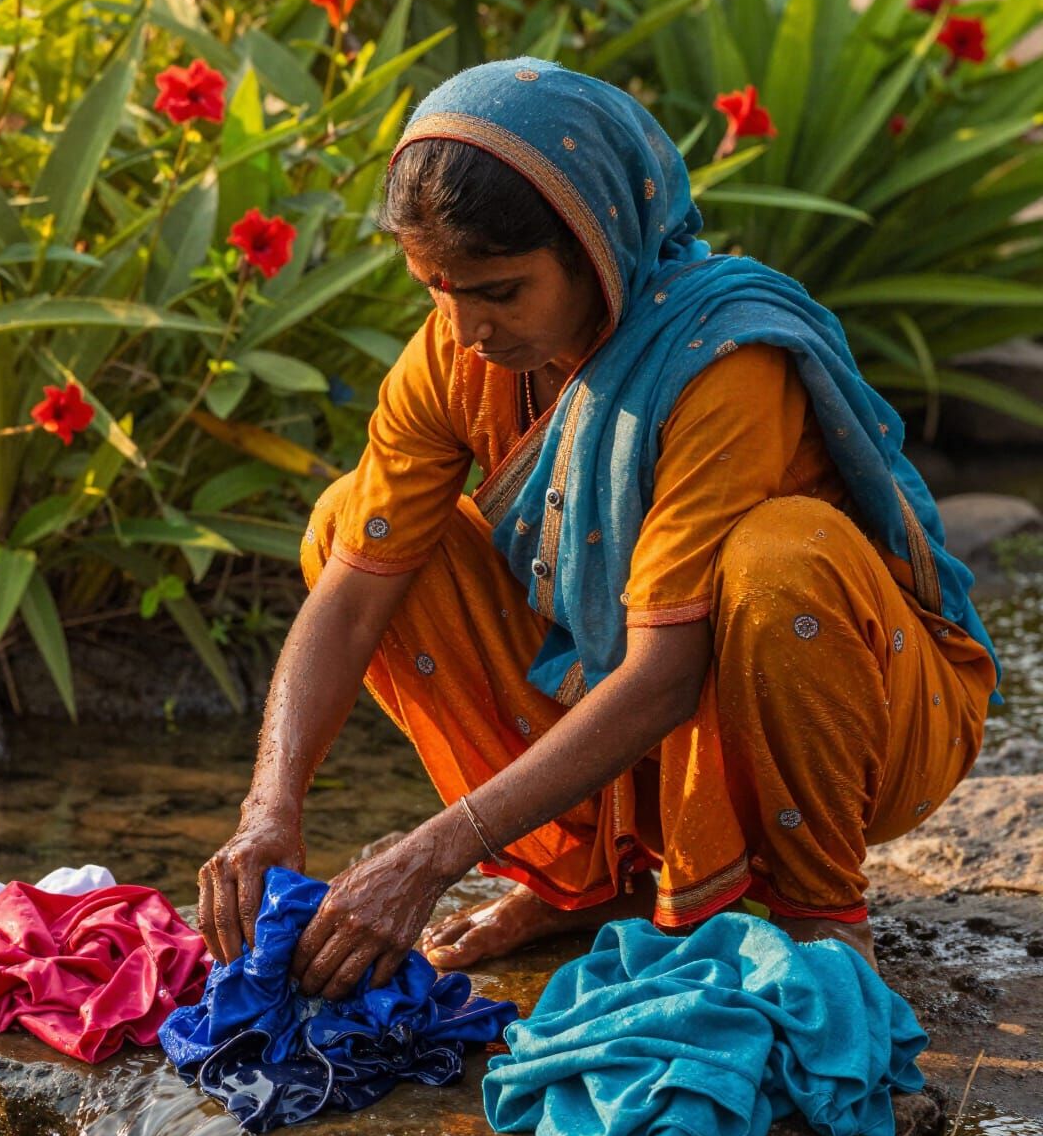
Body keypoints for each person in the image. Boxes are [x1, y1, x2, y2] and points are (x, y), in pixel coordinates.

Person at [197, 58, 999, 998]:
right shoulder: (455, 358)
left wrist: (431, 855)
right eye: (437, 289)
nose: (466, 330)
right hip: (642, 716)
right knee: (349, 525)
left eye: (500, 291)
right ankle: (580, 880)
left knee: (780, 560)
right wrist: (267, 810)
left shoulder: (721, 361)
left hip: (851, 715)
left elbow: (666, 671)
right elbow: (351, 602)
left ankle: (819, 911)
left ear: (598, 244)